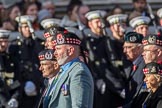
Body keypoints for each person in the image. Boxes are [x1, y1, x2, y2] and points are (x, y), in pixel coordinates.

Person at [83, 10, 125, 108]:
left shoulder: (108, 41)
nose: (100, 24)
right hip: (101, 85)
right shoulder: (88, 43)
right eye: (96, 22)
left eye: (101, 21)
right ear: (90, 24)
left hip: (115, 83)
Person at [45, 31, 94, 108]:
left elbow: (79, 106)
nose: (54, 53)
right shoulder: (63, 71)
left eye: (58, 49)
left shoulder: (79, 72)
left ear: (70, 51)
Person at [12, 15, 44, 108]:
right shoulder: (15, 46)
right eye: (25, 27)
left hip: (38, 84)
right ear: (20, 29)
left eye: (30, 26)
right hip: (22, 87)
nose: (28, 29)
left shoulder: (38, 44)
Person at [123, 32, 145, 107]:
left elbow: (140, 95)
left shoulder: (143, 66)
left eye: (128, 47)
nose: (125, 51)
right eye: (124, 47)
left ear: (139, 48)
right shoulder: (134, 64)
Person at [0, 29, 20, 108]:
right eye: (1, 41)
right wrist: (4, 102)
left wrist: (15, 97)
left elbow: (17, 81)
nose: (3, 44)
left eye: (6, 41)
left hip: (10, 101)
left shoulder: (11, 59)